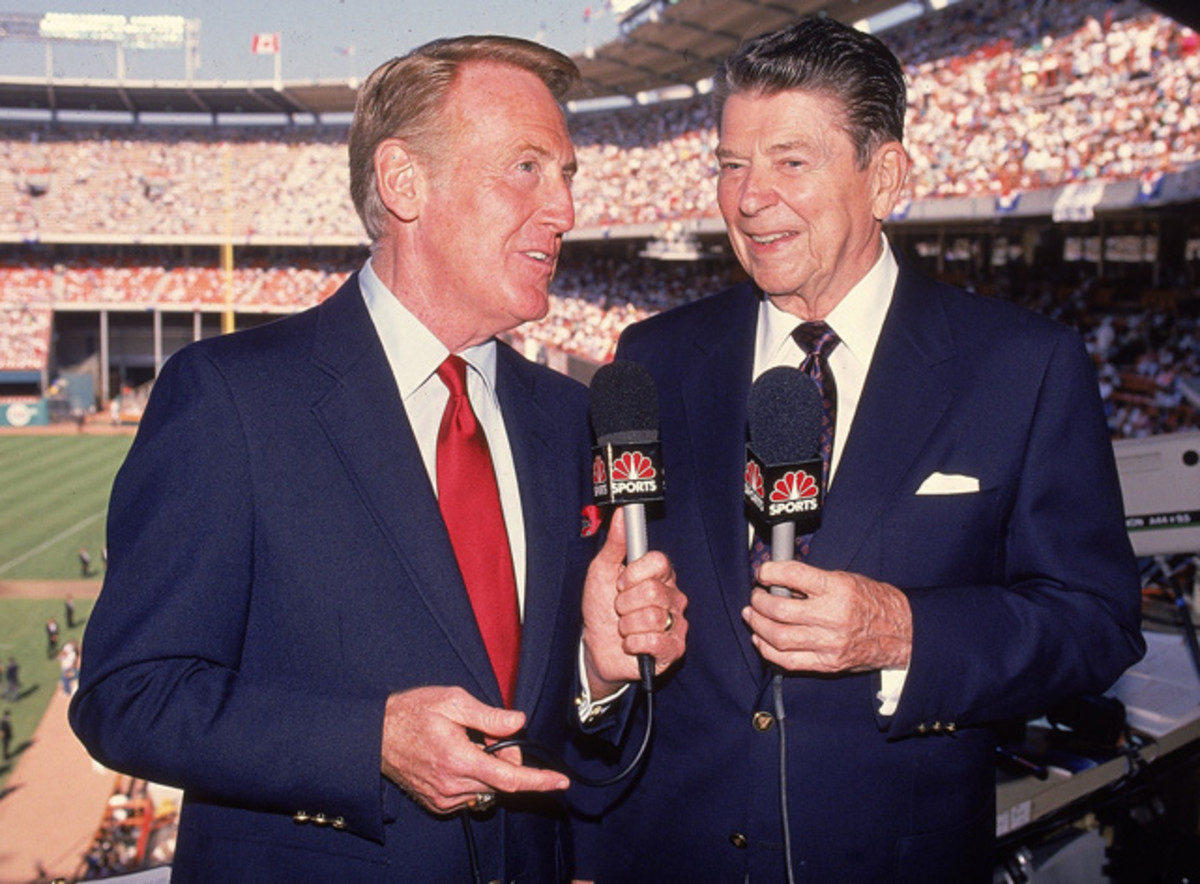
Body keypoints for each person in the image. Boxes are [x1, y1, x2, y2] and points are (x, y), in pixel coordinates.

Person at [69, 35, 686, 884]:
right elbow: (127, 695)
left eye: (567, 174)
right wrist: (370, 743)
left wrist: (598, 671)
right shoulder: (230, 398)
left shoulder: (572, 418)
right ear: (404, 183)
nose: (565, 210)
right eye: (528, 168)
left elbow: (555, 723)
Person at [594, 18, 1144, 883]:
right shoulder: (654, 358)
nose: (748, 197)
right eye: (731, 165)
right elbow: (607, 633)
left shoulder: (1022, 365)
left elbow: (1097, 622)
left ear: (884, 176)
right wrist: (601, 661)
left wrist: (902, 631)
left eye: (791, 161)